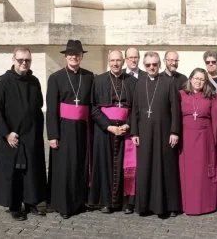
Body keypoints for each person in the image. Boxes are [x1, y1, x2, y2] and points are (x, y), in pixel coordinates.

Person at [0, 46, 47, 221]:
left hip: (31, 136)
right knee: (13, 173)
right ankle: (14, 206)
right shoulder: (2, 81)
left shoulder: (34, 81)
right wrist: (6, 133)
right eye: (20, 60)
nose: (24, 63)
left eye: (27, 60)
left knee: (31, 171)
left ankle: (31, 202)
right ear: (13, 60)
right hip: (11, 137)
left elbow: (38, 105)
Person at [46, 39, 94, 219]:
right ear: (66, 57)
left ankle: (79, 201)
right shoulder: (56, 78)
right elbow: (51, 109)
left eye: (77, 54)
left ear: (81, 57)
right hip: (64, 128)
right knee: (65, 167)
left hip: (83, 128)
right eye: (71, 54)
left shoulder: (89, 77)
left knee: (81, 165)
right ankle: (63, 204)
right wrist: (52, 134)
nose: (74, 57)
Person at [130, 51, 182, 218]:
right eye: (148, 65)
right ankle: (145, 205)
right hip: (144, 133)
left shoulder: (169, 82)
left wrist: (175, 131)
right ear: (144, 66)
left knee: (166, 168)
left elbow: (175, 110)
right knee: (146, 168)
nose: (151, 67)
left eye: (154, 64)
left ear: (160, 65)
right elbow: (134, 110)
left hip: (164, 131)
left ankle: (170, 206)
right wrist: (134, 132)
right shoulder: (139, 83)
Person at [89, 50, 137, 214]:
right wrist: (109, 127)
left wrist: (127, 125)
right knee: (105, 165)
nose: (115, 63)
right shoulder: (99, 80)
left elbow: (136, 108)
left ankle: (126, 202)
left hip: (125, 130)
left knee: (126, 166)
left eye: (118, 60)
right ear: (108, 61)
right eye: (112, 60)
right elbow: (94, 108)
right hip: (105, 131)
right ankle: (106, 202)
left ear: (123, 61)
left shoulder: (132, 81)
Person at [179, 68, 217, 215]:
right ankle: (186, 204)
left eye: (202, 79)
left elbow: (216, 120)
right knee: (188, 173)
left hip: (204, 140)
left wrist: (213, 141)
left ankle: (204, 205)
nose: (198, 81)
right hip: (186, 139)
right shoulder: (181, 94)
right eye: (196, 78)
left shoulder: (211, 97)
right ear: (190, 79)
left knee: (202, 173)